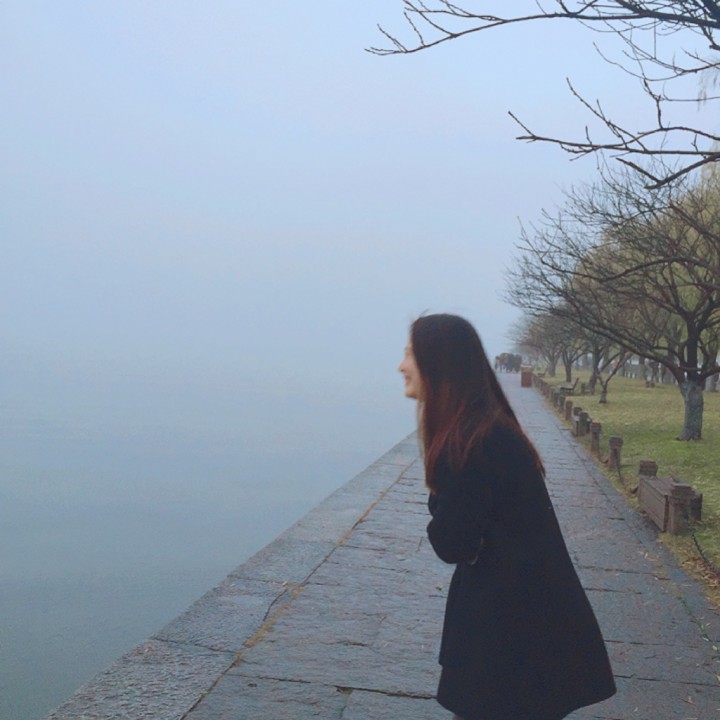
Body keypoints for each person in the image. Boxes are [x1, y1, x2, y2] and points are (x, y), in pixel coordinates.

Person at [398, 314, 616, 720]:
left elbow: (451, 543)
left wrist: (438, 496)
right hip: (530, 628)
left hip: (512, 640)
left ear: (437, 363)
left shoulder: (469, 442)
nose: (401, 366)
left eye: (410, 354)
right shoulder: (486, 428)